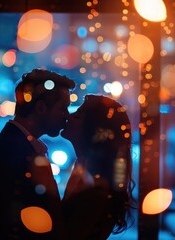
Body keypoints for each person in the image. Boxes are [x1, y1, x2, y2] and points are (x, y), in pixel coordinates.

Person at [0, 68, 75, 239]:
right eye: (63, 108)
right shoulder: (16, 152)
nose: (67, 116)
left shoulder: (16, 145)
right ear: (41, 108)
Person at [61, 94, 135, 240]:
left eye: (78, 116)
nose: (69, 116)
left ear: (92, 130)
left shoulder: (96, 186)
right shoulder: (83, 168)